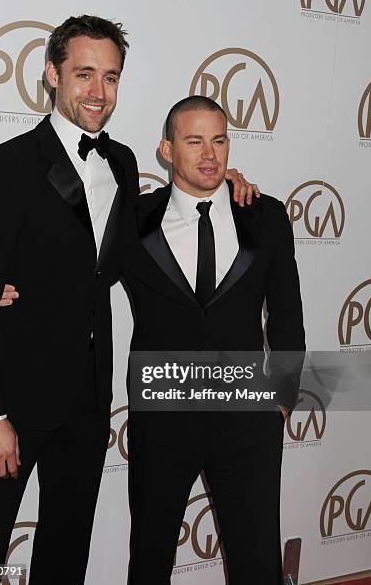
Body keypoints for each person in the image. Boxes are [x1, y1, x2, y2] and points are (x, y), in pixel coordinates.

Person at [0, 15, 257, 583]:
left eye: (111, 77)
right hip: (12, 403)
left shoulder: (120, 163)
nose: (99, 92)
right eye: (84, 74)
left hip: (89, 401)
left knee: (68, 546)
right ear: (52, 74)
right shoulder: (3, 167)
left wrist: (223, 184)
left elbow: (157, 225)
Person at [119, 96, 306, 584]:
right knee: (150, 561)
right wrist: (7, 288)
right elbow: (76, 280)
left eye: (219, 140)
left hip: (247, 425)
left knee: (257, 563)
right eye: (194, 141)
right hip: (161, 422)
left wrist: (282, 398)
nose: (209, 155)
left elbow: (287, 314)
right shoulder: (131, 221)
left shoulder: (265, 216)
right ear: (166, 149)